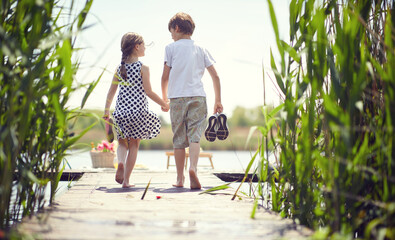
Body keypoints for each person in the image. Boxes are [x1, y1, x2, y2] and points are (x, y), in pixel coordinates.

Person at [161, 12, 223, 189]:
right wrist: (218, 99)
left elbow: (164, 77)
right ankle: (193, 168)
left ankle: (180, 179)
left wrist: (164, 98)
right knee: (195, 137)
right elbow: (216, 76)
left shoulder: (170, 48)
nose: (171, 35)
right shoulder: (201, 48)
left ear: (177, 28)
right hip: (198, 97)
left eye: (171, 31)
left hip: (177, 98)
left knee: (179, 139)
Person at [104, 32, 169, 188]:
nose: (145, 48)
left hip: (120, 113)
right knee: (134, 145)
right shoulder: (143, 68)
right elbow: (149, 91)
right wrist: (164, 103)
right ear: (137, 46)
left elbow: (111, 92)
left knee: (122, 144)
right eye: (144, 45)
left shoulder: (119, 68)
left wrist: (106, 111)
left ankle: (120, 162)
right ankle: (126, 181)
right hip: (138, 113)